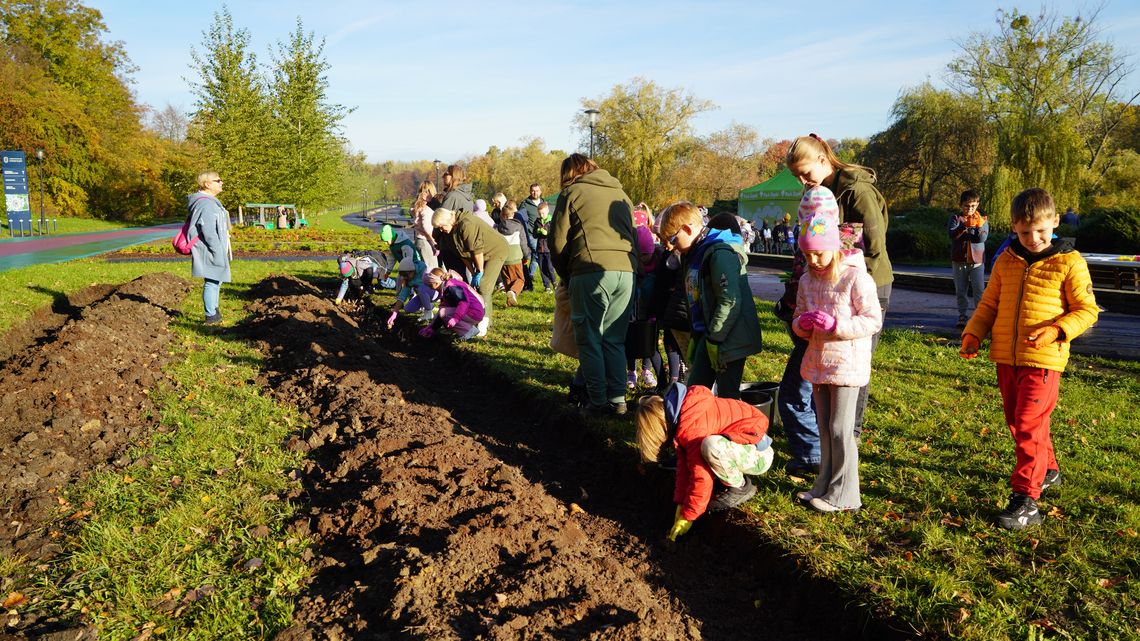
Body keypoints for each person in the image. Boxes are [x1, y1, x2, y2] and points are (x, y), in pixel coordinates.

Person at [960, 187, 1099, 530]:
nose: (1033, 239)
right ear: (1013, 228)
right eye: (1024, 233)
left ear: (1055, 222)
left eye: (1040, 230)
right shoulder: (1006, 260)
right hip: (1007, 358)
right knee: (1018, 421)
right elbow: (989, 304)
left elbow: (1087, 310)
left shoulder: (1069, 262)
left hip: (1044, 359)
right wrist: (973, 333)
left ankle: (1026, 499)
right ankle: (1047, 468)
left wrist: (1057, 330)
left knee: (1027, 423)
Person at [785, 133, 894, 442]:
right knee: (830, 358)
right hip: (830, 284)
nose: (803, 181)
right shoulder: (817, 192)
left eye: (805, 173)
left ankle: (850, 434)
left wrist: (850, 284)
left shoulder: (857, 190)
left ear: (823, 160)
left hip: (865, 283)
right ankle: (828, 432)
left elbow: (874, 245)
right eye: (797, 177)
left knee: (853, 362)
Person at [791, 187, 882, 512]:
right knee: (825, 427)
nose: (813, 260)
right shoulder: (807, 280)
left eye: (819, 253)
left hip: (847, 365)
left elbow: (872, 320)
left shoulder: (856, 278)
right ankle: (824, 484)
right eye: (807, 255)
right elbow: (798, 318)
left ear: (834, 247)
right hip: (819, 362)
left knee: (840, 429)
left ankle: (845, 494)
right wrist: (803, 324)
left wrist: (836, 325)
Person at [550, 153, 638, 416]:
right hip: (627, 271)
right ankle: (618, 399)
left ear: (569, 173)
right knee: (614, 339)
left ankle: (597, 401)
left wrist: (566, 274)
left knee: (589, 339)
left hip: (589, 270)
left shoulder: (571, 193)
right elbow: (633, 235)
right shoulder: (622, 194)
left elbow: (557, 242)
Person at [635, 383, 775, 542]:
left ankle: (740, 487)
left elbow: (701, 477)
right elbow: (684, 468)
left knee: (711, 446)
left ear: (662, 426)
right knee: (708, 449)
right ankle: (729, 478)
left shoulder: (693, 428)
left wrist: (689, 516)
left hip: (760, 456)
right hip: (744, 448)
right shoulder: (685, 414)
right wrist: (680, 502)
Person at [657, 203, 762, 400]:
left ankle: (731, 421)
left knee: (727, 396)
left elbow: (729, 301)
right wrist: (697, 337)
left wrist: (715, 339)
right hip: (708, 335)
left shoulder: (720, 253)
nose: (671, 246)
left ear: (687, 229)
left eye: (672, 239)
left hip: (729, 336)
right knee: (695, 392)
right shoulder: (692, 254)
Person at [432, 206, 508, 337]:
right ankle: (474, 319)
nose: (441, 230)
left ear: (448, 220)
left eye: (441, 226)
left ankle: (484, 322)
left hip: (496, 250)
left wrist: (479, 271)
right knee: (475, 286)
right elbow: (463, 255)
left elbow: (477, 250)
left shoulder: (467, 224)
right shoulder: (450, 232)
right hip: (481, 254)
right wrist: (473, 273)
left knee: (484, 285)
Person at [186, 171, 231, 325]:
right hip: (210, 248)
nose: (221, 182)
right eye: (218, 180)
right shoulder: (206, 203)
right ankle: (211, 316)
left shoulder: (209, 202)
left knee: (216, 279)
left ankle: (214, 312)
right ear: (207, 184)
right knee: (212, 280)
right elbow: (208, 231)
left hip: (213, 247)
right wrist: (217, 250)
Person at [626, 225, 663, 390]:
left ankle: (646, 370)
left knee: (649, 342)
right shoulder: (632, 267)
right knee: (631, 340)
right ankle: (631, 370)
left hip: (650, 312)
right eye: (640, 255)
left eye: (646, 254)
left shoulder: (658, 267)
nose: (643, 259)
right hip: (632, 311)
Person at [949, 190, 990, 328]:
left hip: (977, 262)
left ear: (977, 205)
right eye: (967, 206)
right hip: (959, 261)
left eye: (973, 206)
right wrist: (964, 226)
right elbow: (952, 234)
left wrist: (976, 228)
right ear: (961, 205)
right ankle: (962, 315)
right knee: (960, 290)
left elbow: (982, 238)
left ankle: (979, 316)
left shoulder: (982, 220)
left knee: (979, 290)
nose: (970, 208)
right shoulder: (955, 218)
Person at [417, 267, 485, 341]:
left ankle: (468, 331)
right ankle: (461, 328)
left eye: (430, 285)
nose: (430, 288)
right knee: (442, 311)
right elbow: (442, 311)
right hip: (474, 311)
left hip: (475, 312)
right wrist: (432, 328)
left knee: (443, 312)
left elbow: (464, 302)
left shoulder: (451, 287)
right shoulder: (446, 287)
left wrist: (455, 318)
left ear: (436, 283)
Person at [494, 201, 531, 307]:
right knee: (520, 279)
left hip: (503, 258)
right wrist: (526, 255)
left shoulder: (498, 228)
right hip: (515, 257)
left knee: (507, 281)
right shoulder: (519, 226)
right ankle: (513, 292)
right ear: (513, 214)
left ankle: (509, 302)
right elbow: (523, 243)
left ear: (502, 216)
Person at [519, 183, 543, 290]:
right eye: (533, 191)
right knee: (537, 252)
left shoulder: (543, 202)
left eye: (537, 190)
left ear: (540, 191)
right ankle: (531, 274)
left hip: (542, 234)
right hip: (530, 234)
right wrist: (527, 229)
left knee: (535, 254)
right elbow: (521, 218)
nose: (535, 193)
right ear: (530, 191)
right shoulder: (525, 204)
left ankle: (529, 275)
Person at [531, 201, 556, 292]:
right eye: (540, 213)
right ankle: (547, 286)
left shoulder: (552, 221)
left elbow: (555, 234)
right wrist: (537, 231)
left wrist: (547, 233)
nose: (541, 215)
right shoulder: (537, 221)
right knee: (542, 268)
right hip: (540, 249)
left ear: (547, 211)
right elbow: (534, 235)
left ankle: (554, 282)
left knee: (550, 267)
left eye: (543, 213)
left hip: (549, 249)